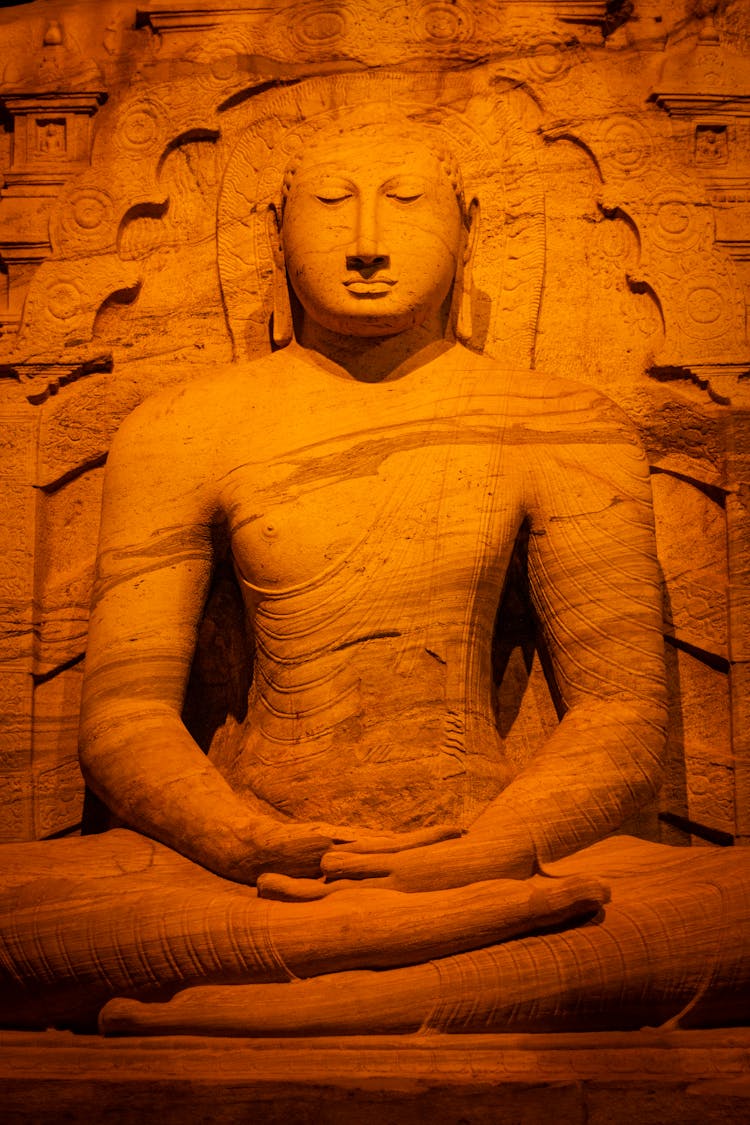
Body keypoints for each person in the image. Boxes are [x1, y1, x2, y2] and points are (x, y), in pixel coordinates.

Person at [2, 109, 748, 1034]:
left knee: (735, 907)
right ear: (276, 232)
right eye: (328, 206)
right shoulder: (184, 423)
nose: (365, 243)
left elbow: (622, 714)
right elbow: (124, 715)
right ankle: (434, 965)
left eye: (405, 204)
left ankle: (318, 992)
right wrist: (246, 840)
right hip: (258, 872)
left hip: (488, 849)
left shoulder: (559, 421)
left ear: (468, 224)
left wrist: (482, 855)